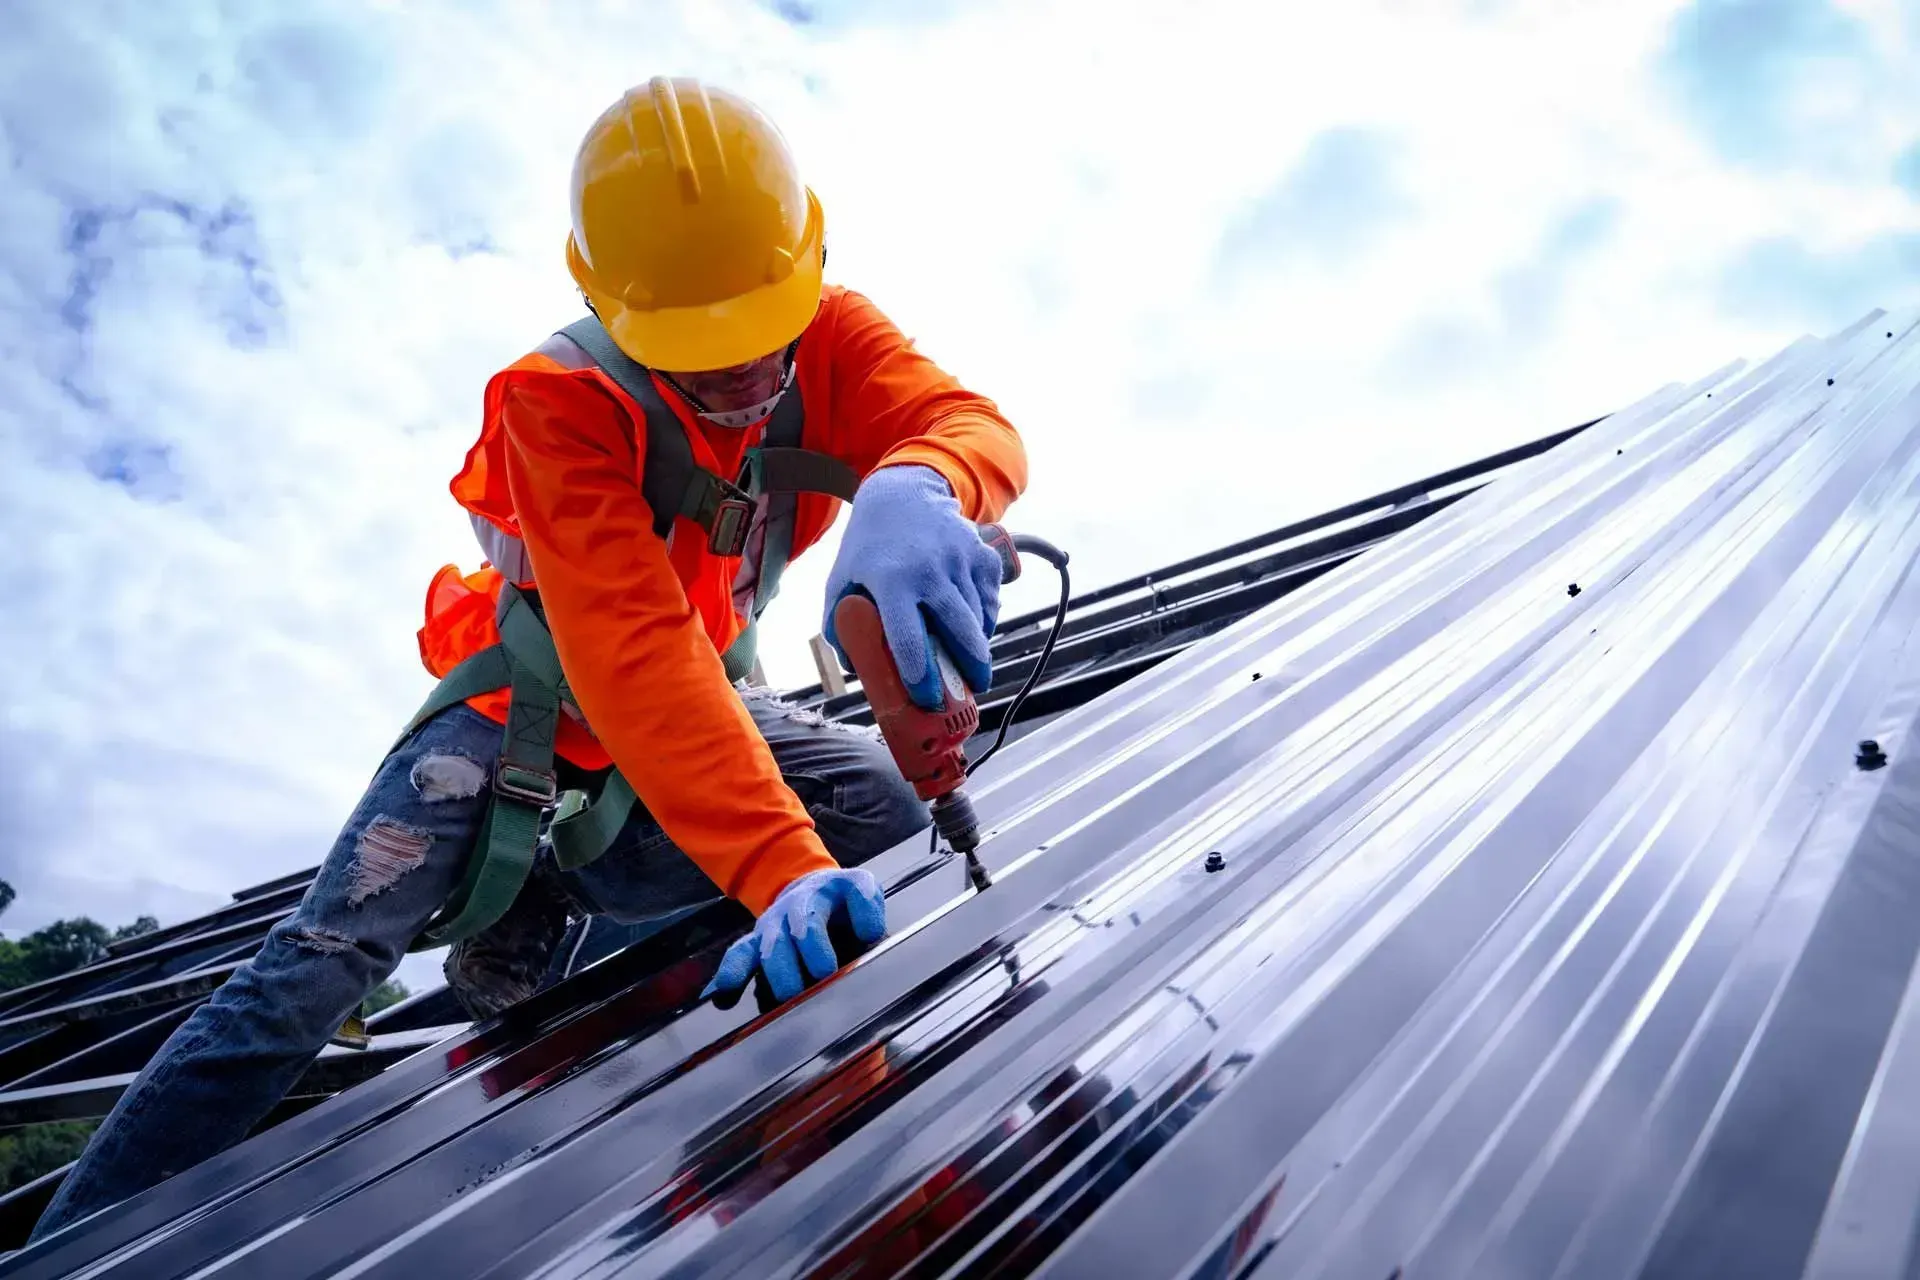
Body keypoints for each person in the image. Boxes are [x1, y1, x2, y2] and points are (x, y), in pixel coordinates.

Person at [29, 75, 1026, 1243]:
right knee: (316, 966)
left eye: (762, 341)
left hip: (697, 715)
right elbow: (636, 654)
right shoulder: (562, 403)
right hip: (529, 715)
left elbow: (969, 424)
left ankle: (758, 1128)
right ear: (618, 308)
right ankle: (68, 1241)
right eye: (704, 357)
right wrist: (775, 862)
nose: (746, 377)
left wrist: (922, 480)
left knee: (883, 805)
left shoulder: (830, 336)